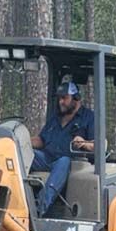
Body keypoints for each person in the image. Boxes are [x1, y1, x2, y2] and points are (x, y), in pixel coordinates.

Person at [30, 80, 95, 217]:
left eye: (65, 98)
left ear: (76, 99)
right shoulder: (56, 117)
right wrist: (22, 142)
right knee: (24, 154)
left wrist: (83, 143)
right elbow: (42, 140)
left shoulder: (88, 117)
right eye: (60, 98)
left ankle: (37, 209)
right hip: (46, 158)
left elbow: (97, 145)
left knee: (64, 161)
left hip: (71, 164)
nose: (61, 102)